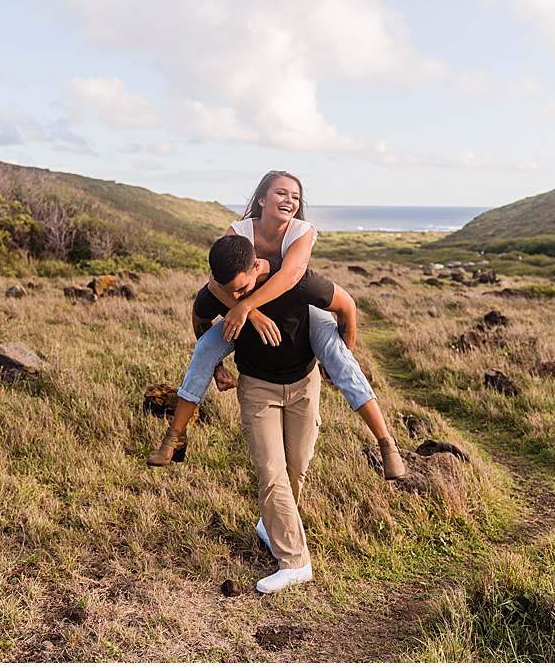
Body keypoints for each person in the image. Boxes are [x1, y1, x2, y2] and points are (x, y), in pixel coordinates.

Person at [147, 170, 406, 481]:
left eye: (295, 196)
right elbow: (217, 283)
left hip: (301, 305)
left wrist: (247, 306)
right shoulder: (238, 231)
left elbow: (291, 276)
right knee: (204, 349)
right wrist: (247, 313)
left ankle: (386, 443)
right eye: (282, 193)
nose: (290, 200)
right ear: (261, 199)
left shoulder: (301, 231)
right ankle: (175, 435)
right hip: (243, 306)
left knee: (339, 358)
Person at [187, 235, 352, 594]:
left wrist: (340, 358)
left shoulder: (298, 279)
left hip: (303, 385)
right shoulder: (220, 291)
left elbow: (347, 306)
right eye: (230, 293)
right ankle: (295, 562)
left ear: (257, 267)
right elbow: (199, 321)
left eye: (242, 289)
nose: (236, 298)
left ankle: (270, 524)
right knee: (271, 471)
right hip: (257, 389)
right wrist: (215, 368)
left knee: (298, 465)